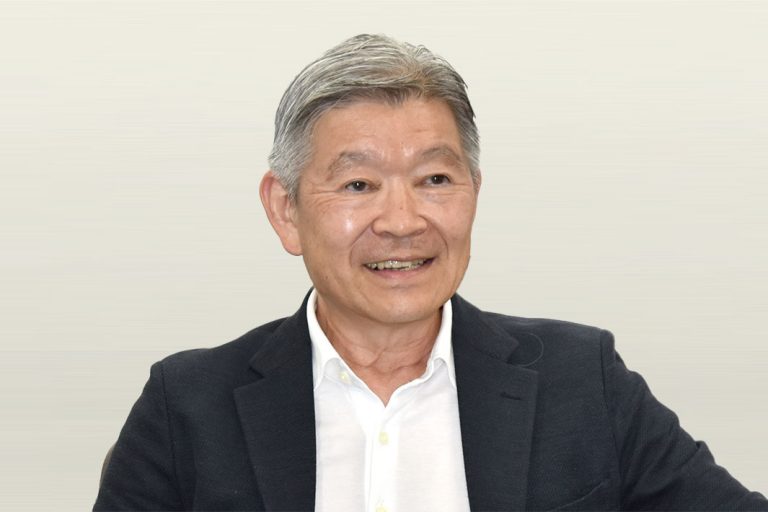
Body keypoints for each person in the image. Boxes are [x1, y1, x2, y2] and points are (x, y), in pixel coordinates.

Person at [94, 34, 767, 512]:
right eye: (358, 185)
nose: (402, 220)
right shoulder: (188, 406)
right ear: (286, 210)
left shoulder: (582, 379)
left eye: (435, 179)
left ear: (474, 190)